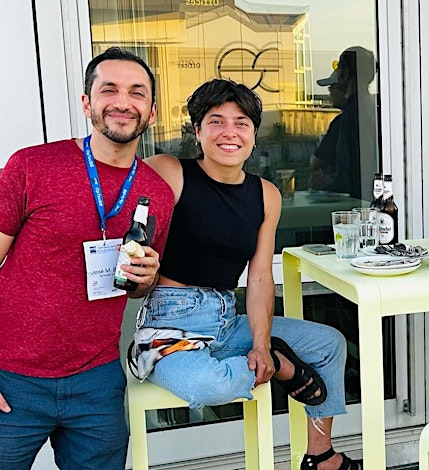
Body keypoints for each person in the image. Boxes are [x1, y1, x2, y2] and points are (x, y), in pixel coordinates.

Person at [142, 79, 359, 470]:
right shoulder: (170, 171)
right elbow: (121, 197)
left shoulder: (265, 194)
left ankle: (321, 455)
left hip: (227, 321)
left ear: (254, 134)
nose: (230, 132)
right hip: (169, 327)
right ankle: (279, 363)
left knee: (329, 343)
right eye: (216, 121)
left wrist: (260, 343)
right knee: (208, 384)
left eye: (241, 123)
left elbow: (259, 278)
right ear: (197, 130)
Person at [0, 47, 174, 469]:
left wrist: (147, 279)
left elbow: (136, 290)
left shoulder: (158, 194)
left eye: (137, 92)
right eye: (109, 89)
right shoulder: (32, 166)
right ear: (86, 103)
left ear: (152, 111)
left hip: (97, 380)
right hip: (11, 376)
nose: (123, 102)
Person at [309, 46, 378, 200]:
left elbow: (352, 176)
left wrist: (326, 182)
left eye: (339, 68)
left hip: (359, 203)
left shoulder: (351, 116)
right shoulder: (375, 109)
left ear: (344, 74)